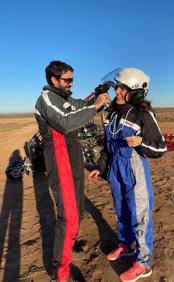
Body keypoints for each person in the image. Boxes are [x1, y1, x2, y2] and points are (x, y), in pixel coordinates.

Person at [89, 67, 167, 282]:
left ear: (134, 92)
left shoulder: (143, 115)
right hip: (115, 169)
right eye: (117, 87)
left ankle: (143, 263)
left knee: (141, 215)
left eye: (122, 88)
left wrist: (142, 142)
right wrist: (101, 167)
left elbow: (160, 148)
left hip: (135, 170)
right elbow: (107, 146)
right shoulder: (112, 115)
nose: (117, 92)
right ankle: (126, 244)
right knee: (121, 209)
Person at [35, 60, 110, 282]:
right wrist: (94, 106)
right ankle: (61, 271)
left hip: (73, 152)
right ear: (53, 80)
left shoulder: (65, 98)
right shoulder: (46, 99)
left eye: (72, 79)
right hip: (59, 155)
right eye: (67, 80)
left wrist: (97, 96)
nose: (70, 83)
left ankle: (71, 242)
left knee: (77, 207)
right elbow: (66, 123)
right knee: (67, 215)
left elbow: (80, 105)